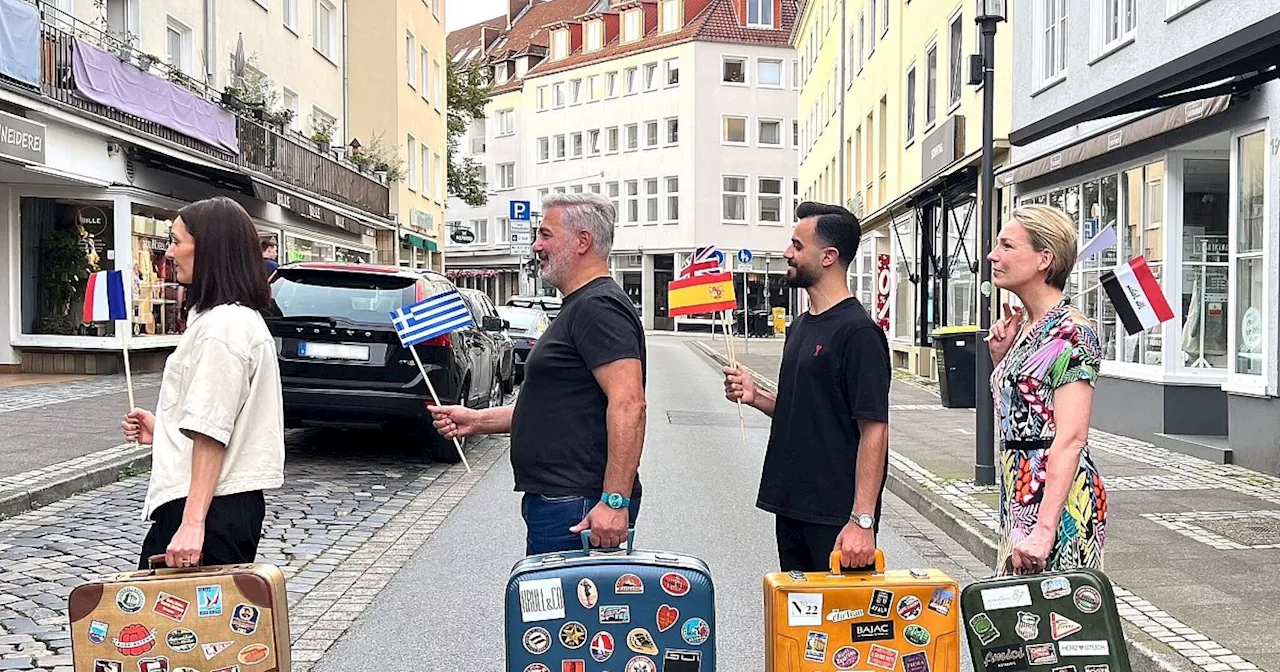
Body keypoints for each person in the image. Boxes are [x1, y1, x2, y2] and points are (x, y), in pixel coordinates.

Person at [428, 194, 647, 555]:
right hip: (565, 502)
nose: (536, 245)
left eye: (545, 234)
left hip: (579, 506)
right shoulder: (581, 305)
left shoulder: (598, 307)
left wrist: (614, 502)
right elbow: (554, 409)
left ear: (582, 241)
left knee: (562, 613)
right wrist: (476, 420)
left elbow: (629, 404)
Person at [723, 202, 890, 573]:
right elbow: (811, 409)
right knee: (800, 629)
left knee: (841, 627)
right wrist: (757, 398)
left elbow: (874, 429)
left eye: (797, 246)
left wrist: (862, 520)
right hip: (792, 506)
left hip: (835, 519)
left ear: (828, 256)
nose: (787, 253)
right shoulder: (800, 326)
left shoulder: (859, 333)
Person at [121, 197, 285, 569]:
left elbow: (211, 430)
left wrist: (192, 523)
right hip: (217, 504)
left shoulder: (222, 328)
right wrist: (164, 430)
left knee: (173, 625)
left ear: (209, 248)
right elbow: (217, 415)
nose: (169, 253)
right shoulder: (227, 320)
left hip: (209, 509)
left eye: (176, 241)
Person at [985, 204, 1106, 575]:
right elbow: (1024, 414)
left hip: (1059, 504)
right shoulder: (1028, 327)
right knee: (1019, 621)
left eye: (1007, 245)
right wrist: (1000, 359)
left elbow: (1070, 437)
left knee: (1060, 625)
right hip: (1020, 493)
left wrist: (1044, 529)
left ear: (1044, 259)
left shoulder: (1071, 332)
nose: (993, 254)